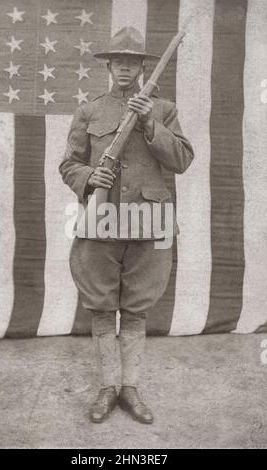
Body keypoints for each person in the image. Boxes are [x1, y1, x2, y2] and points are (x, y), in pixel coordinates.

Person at [59, 26, 194, 424]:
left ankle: (130, 389)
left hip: (149, 221)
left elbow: (182, 160)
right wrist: (87, 178)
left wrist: (151, 122)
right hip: (101, 221)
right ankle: (107, 388)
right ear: (109, 66)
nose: (124, 68)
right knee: (101, 309)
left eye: (131, 62)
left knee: (136, 312)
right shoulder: (89, 110)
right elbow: (69, 164)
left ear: (141, 67)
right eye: (117, 61)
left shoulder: (164, 109)